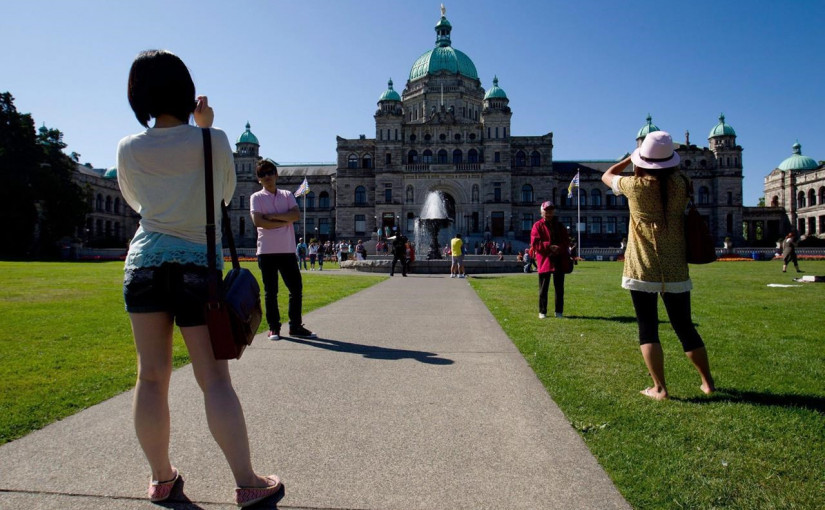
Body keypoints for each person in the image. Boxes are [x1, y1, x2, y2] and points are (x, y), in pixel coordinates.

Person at [117, 49, 280, 506]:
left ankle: (161, 478)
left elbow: (136, 204)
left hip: (144, 264)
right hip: (197, 268)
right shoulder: (215, 140)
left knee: (150, 378)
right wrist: (205, 131)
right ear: (188, 93)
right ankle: (247, 483)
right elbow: (226, 194)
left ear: (139, 95)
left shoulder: (127, 147)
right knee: (215, 381)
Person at [601, 130, 715, 401]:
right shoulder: (683, 183)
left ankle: (660, 388)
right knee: (684, 326)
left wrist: (630, 159)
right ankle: (708, 382)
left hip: (642, 266)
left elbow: (606, 176)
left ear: (643, 160)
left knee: (648, 327)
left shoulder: (634, 186)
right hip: (675, 264)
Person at [250, 159, 316, 341]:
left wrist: (271, 217)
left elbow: (295, 215)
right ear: (259, 180)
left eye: (270, 172)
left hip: (287, 250)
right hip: (266, 251)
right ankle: (274, 328)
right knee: (271, 292)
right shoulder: (256, 197)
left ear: (276, 174)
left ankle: (295, 326)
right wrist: (284, 220)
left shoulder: (287, 194)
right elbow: (258, 222)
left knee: (296, 289)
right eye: (262, 174)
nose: (267, 176)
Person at [530, 201, 570, 319]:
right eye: (547, 211)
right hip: (545, 259)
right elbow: (535, 243)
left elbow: (566, 241)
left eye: (551, 211)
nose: (549, 213)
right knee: (543, 288)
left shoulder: (560, 225)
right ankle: (542, 311)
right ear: (542, 212)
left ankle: (559, 311)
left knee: (559, 289)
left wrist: (559, 248)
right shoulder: (537, 226)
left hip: (558, 259)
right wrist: (549, 246)